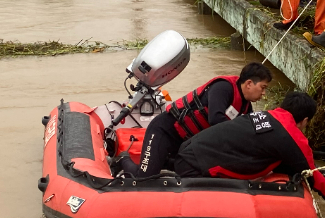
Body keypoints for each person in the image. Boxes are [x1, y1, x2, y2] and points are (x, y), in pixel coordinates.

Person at [174, 91, 325, 218]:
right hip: (195, 169)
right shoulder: (293, 138)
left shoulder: (266, 115)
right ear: (304, 120)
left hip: (187, 150)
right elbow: (315, 177)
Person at [117, 62, 273, 178]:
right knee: (145, 177)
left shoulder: (245, 107)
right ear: (249, 84)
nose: (264, 93)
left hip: (186, 143)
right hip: (165, 131)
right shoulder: (223, 88)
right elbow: (215, 119)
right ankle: (123, 159)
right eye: (263, 87)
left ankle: (163, 162)